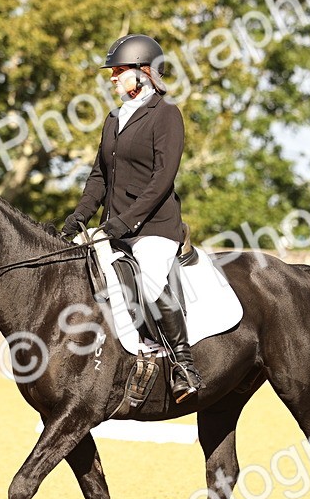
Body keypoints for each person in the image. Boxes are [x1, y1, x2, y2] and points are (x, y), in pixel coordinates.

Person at [61, 34, 204, 403]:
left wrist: (124, 223)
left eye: (118, 71)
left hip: (154, 227)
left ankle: (183, 365)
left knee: (152, 283)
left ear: (143, 73)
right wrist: (78, 218)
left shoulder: (166, 113)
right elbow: (99, 176)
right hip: (115, 226)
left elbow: (162, 179)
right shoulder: (113, 118)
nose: (112, 78)